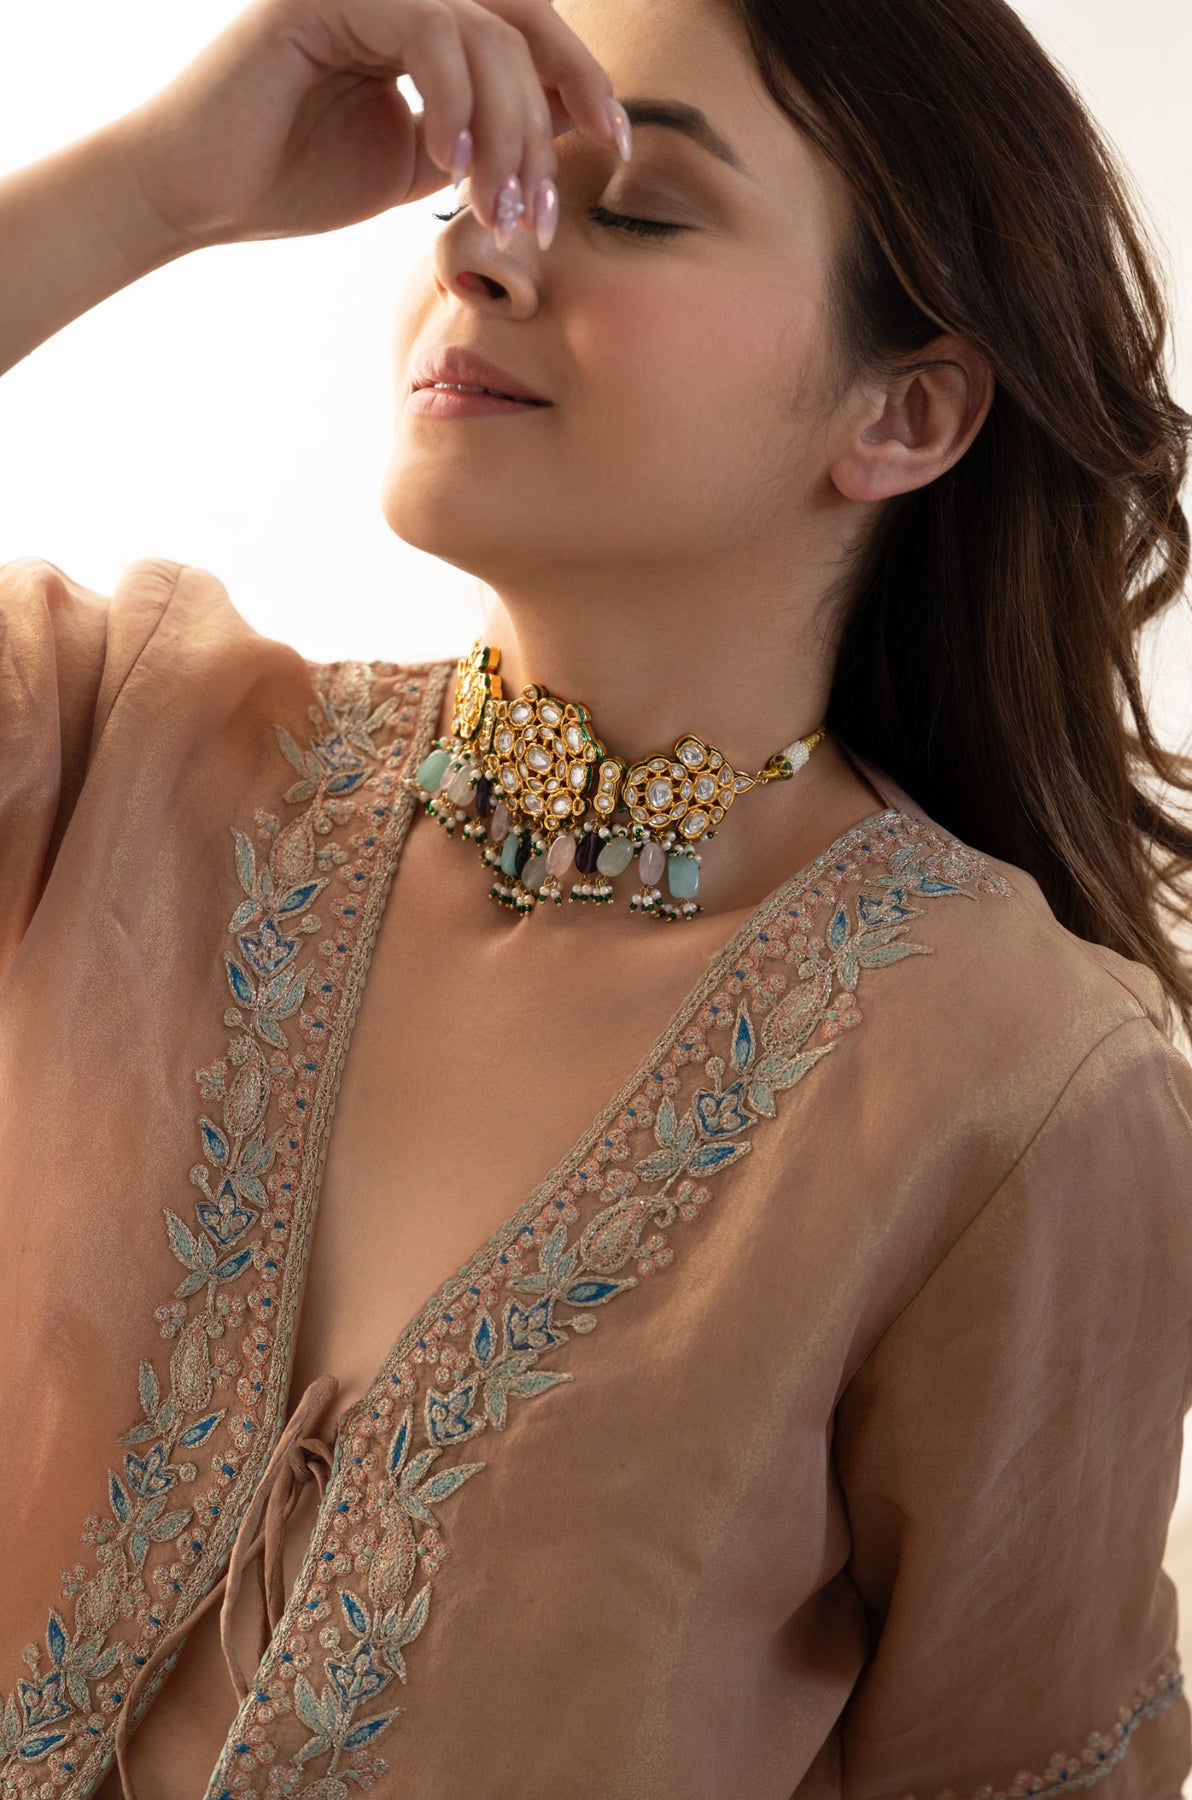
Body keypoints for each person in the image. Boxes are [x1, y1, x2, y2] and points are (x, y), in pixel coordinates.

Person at [1, 0, 1191, 1793]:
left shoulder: (1014, 1087)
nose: (479, 249)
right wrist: (156, 187)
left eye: (630, 208)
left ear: (908, 411)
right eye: (471, 187)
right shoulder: (125, 753)